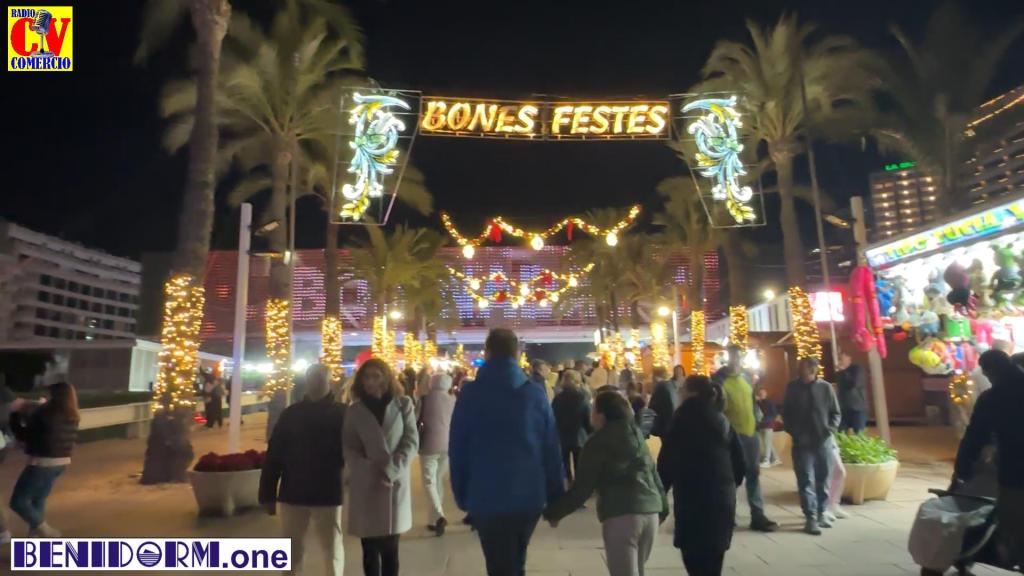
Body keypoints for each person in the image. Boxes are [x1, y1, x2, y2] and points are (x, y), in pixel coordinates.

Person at [450, 328, 564, 576]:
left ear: (487, 353)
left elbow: (458, 448)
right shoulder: (534, 394)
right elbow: (551, 449)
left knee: (498, 564)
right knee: (516, 560)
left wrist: (461, 493)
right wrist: (556, 498)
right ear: (517, 354)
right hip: (528, 496)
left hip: (485, 494)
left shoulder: (470, 395)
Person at [544, 391, 668, 576]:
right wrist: (663, 509)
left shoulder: (597, 442)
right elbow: (653, 474)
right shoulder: (635, 435)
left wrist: (554, 512)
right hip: (650, 513)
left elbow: (582, 489)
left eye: (593, 409)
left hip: (622, 517)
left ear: (601, 414)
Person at [260, 364, 346, 576]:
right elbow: (275, 455)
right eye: (312, 378)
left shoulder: (343, 414)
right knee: (292, 550)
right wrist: (267, 494)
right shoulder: (291, 414)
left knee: (331, 549)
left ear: (329, 381)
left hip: (327, 494)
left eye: (320, 378)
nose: (316, 382)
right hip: (295, 493)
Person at [658, 375, 745, 576]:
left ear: (691, 392)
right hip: (722, 499)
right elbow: (740, 463)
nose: (679, 393)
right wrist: (729, 485)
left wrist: (659, 494)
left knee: (694, 560)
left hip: (692, 499)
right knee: (714, 560)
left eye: (681, 390)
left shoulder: (681, 419)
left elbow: (667, 462)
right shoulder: (722, 420)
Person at [343, 358, 418, 576]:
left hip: (393, 482)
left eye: (376, 376)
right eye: (366, 377)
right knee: (369, 549)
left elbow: (411, 441)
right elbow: (349, 447)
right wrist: (365, 469)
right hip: (367, 484)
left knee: (391, 550)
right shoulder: (354, 410)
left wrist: (393, 469)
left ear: (386, 377)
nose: (371, 381)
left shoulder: (403, 404)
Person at [955, 349, 1024, 569]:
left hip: (1014, 472)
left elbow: (975, 435)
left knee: (1015, 522)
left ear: (991, 371)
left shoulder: (993, 397)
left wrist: (963, 467)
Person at [713, 345, 778, 532]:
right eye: (732, 356)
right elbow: (715, 409)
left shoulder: (747, 378)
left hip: (750, 435)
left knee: (753, 475)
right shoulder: (718, 380)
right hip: (730, 438)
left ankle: (757, 515)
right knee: (730, 478)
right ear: (727, 358)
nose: (735, 360)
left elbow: (751, 403)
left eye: (738, 356)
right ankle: (727, 516)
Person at [9, 381, 80, 538]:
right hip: (61, 462)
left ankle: (45, 530)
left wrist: (15, 413)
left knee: (18, 502)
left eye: (48, 395)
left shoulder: (46, 413)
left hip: (42, 462)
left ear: (55, 396)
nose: (44, 397)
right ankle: (35, 537)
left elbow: (23, 435)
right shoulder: (72, 413)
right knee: (38, 499)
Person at [783, 357, 841, 535]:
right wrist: (794, 431)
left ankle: (822, 511)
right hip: (802, 442)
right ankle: (810, 517)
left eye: (808, 370)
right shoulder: (793, 388)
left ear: (814, 371)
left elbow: (835, 412)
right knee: (805, 479)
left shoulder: (825, 388)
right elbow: (786, 412)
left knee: (823, 477)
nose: (805, 373)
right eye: (802, 369)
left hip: (822, 440)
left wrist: (829, 429)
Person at [418, 372, 456, 536]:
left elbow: (416, 419)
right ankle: (433, 520)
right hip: (448, 445)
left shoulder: (425, 399)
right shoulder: (453, 400)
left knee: (429, 481)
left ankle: (439, 516)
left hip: (428, 444)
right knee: (438, 481)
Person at [551, 369, 592, 483]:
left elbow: (553, 416)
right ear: (577, 381)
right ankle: (578, 487)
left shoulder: (557, 399)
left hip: (562, 435)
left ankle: (567, 482)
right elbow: (588, 418)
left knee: (565, 464)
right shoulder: (582, 398)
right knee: (579, 464)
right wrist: (591, 433)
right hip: (579, 436)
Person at [835, 352, 867, 433]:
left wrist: (842, 371)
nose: (840, 361)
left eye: (842, 358)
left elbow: (853, 384)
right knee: (842, 434)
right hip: (843, 408)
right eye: (839, 359)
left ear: (849, 358)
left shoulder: (857, 369)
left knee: (859, 435)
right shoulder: (840, 373)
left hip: (857, 408)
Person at [647, 366, 677, 439]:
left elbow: (652, 406)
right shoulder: (671, 385)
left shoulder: (660, 386)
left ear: (655, 376)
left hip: (664, 424)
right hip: (672, 423)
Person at [755, 387, 782, 468]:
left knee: (767, 443)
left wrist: (766, 420)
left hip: (768, 425)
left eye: (763, 393)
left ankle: (767, 461)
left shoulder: (769, 402)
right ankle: (776, 459)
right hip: (761, 426)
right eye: (760, 393)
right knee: (768, 443)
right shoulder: (757, 403)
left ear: (766, 394)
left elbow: (773, 414)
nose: (761, 394)